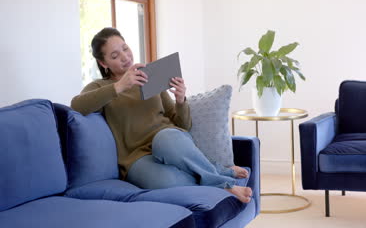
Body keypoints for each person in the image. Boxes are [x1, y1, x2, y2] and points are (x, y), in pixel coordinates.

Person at [71, 27, 252, 203]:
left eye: (125, 48)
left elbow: (183, 124)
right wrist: (120, 86)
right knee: (169, 183)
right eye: (115, 56)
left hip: (170, 141)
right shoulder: (101, 88)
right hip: (136, 158)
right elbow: (77, 105)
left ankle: (222, 184)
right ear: (104, 64)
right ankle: (218, 170)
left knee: (165, 139)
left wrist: (181, 100)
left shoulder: (150, 76)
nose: (125, 57)